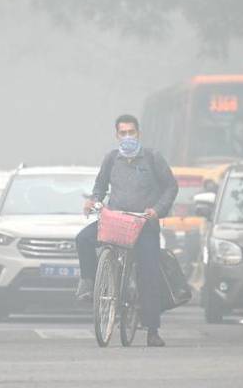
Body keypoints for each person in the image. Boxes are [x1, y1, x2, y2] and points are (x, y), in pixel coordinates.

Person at [75, 114, 178, 347]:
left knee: (149, 273)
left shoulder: (153, 157)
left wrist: (157, 210)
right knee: (83, 239)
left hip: (144, 224)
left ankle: (152, 330)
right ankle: (90, 284)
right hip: (115, 221)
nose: (128, 137)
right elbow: (100, 185)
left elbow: (171, 186)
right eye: (123, 133)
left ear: (138, 133)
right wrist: (94, 200)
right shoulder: (111, 159)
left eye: (132, 132)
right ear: (117, 135)